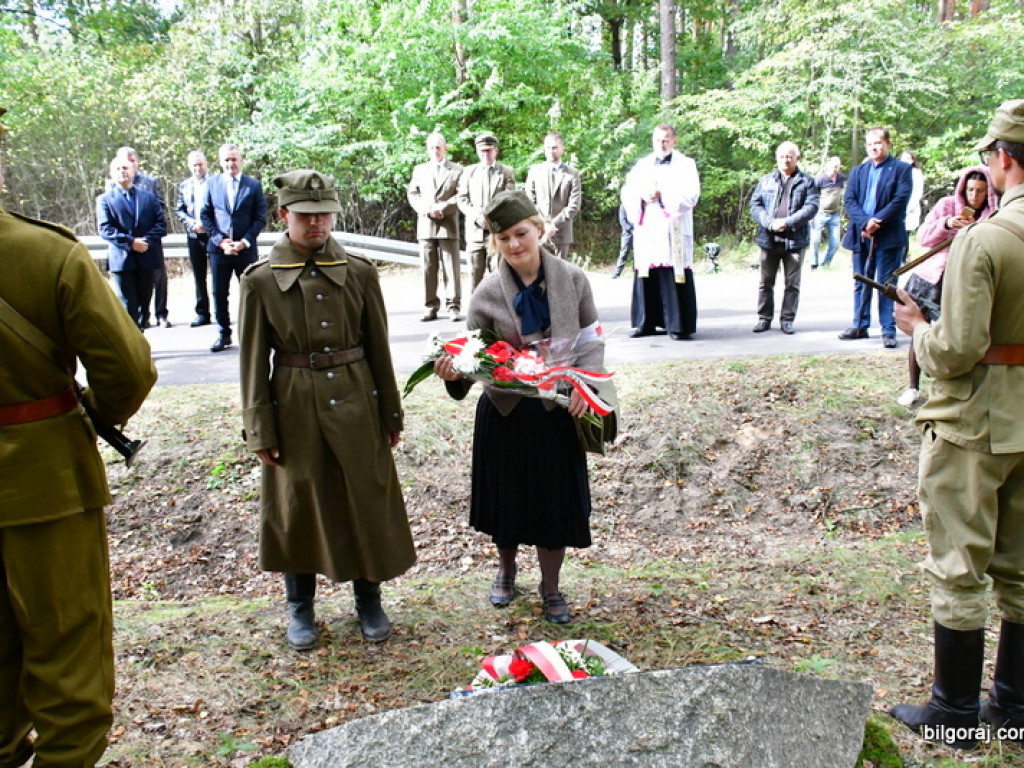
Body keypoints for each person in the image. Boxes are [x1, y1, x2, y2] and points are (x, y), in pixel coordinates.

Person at [0, 104, 157, 768]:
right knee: (68, 662)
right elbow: (128, 369)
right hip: (42, 488)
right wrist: (89, 412)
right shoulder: (44, 253)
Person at [890, 99, 1024, 750]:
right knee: (1022, 568)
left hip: (975, 423)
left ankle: (955, 714)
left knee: (959, 565)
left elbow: (959, 347)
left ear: (1002, 158)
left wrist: (919, 330)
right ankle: (1014, 708)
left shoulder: (986, 238)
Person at [239, 170, 415, 650]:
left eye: (324, 214)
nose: (317, 224)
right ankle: (301, 610)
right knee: (297, 505)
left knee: (364, 499)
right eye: (306, 215)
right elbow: (253, 361)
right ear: (284, 216)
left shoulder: (359, 272)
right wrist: (260, 428)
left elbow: (378, 346)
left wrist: (389, 413)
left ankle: (369, 601)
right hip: (293, 404)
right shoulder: (259, 282)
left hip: (358, 400)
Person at [432, 191, 614, 625]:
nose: (514, 245)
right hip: (508, 414)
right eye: (503, 237)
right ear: (494, 242)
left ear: (539, 229)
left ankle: (551, 587)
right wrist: (455, 374)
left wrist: (583, 385)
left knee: (556, 503)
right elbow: (473, 355)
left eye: (521, 233)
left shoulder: (572, 279)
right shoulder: (487, 293)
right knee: (507, 501)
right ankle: (506, 571)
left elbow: (591, 339)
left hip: (558, 413)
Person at [897, 165, 999, 407]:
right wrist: (947, 223)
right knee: (918, 329)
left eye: (981, 191)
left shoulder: (993, 215)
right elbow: (923, 237)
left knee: (953, 335)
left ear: (989, 193)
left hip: (962, 280)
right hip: (930, 276)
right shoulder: (946, 205)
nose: (974, 195)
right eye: (971, 189)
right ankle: (913, 386)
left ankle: (949, 387)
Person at [620, 123, 701, 340]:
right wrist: (641, 196)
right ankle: (645, 323)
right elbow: (628, 191)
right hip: (648, 228)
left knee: (674, 272)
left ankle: (676, 325)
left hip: (672, 227)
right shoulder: (642, 165)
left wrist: (662, 195)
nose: (662, 144)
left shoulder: (686, 164)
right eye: (658, 140)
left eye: (666, 140)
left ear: (674, 141)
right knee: (647, 272)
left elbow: (691, 195)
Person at [838, 127, 913, 349]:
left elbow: (900, 200)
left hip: (888, 235)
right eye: (870, 144)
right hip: (861, 235)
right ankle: (859, 325)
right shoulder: (858, 171)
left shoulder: (901, 170)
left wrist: (877, 220)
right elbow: (849, 200)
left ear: (888, 143)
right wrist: (864, 222)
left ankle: (888, 330)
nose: (874, 147)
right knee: (861, 282)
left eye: (878, 143)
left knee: (886, 284)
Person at [201, 143, 267, 353]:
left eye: (234, 159)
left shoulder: (253, 185)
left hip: (245, 250)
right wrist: (221, 241)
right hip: (219, 250)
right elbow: (205, 214)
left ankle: (252, 334)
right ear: (221, 162)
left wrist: (244, 242)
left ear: (241, 160)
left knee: (251, 292)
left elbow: (259, 217)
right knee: (219, 293)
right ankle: (223, 333)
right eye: (227, 160)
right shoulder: (211, 183)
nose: (231, 164)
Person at [748, 141, 819, 335]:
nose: (785, 160)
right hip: (768, 239)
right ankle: (764, 318)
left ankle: (787, 319)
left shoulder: (807, 182)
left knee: (792, 284)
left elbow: (811, 207)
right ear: (776, 158)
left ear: (797, 158)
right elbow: (755, 205)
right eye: (782, 156)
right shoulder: (766, 180)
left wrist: (787, 222)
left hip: (795, 241)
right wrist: (769, 222)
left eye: (789, 156)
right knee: (765, 282)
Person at [96, 155, 167, 329]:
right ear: (112, 174)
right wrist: (130, 242)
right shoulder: (104, 200)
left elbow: (161, 224)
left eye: (125, 168)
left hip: (146, 257)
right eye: (118, 169)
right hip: (122, 259)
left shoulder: (148, 198)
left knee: (145, 306)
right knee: (129, 307)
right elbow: (105, 229)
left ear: (133, 171)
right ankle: (134, 349)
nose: (122, 172)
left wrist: (145, 241)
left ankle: (141, 340)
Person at [406, 132, 464, 322]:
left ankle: (453, 306)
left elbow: (461, 195)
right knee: (428, 267)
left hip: (448, 224)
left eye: (438, 147)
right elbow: (413, 194)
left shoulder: (457, 170)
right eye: (431, 147)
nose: (435, 151)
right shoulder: (419, 170)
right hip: (426, 223)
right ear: (427, 149)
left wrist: (443, 208)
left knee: (451, 267)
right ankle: (430, 305)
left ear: (445, 148)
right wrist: (427, 209)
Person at [456, 132, 516, 289]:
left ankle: (500, 311)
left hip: (497, 231)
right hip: (475, 231)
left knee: (499, 274)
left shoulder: (506, 172)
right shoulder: (468, 172)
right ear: (477, 151)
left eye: (489, 150)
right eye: (482, 151)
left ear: (496, 150)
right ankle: (475, 311)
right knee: (474, 275)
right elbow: (462, 199)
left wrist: (490, 219)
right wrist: (477, 217)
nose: (485, 154)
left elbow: (508, 199)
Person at [524, 131, 582, 259]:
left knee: (559, 275)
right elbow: (529, 201)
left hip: (562, 233)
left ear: (562, 148)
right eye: (548, 148)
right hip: (538, 231)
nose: (551, 151)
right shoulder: (535, 171)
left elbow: (574, 205)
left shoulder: (572, 174)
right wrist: (544, 224)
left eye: (555, 147)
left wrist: (554, 225)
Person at [175, 150, 213, 327]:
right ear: (189, 166)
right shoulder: (184, 186)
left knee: (219, 276)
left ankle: (222, 312)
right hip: (194, 235)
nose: (198, 168)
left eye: (201, 164)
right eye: (194, 165)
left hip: (214, 235)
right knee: (199, 276)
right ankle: (202, 313)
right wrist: (192, 223)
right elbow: (179, 210)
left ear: (206, 164)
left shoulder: (215, 182)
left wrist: (208, 224)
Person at [808, 156, 845, 269]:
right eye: (833, 166)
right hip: (820, 214)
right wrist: (811, 215)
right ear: (828, 165)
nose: (835, 168)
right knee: (815, 240)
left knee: (835, 243)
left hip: (835, 215)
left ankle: (826, 264)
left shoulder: (841, 178)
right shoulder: (820, 179)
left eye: (837, 166)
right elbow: (811, 196)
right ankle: (814, 264)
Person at [901, 149, 926, 234]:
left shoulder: (916, 173)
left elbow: (917, 193)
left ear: (912, 160)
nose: (905, 161)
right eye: (903, 158)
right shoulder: (897, 172)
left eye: (908, 158)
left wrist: (906, 209)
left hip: (910, 210)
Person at [611, 203, 633, 279]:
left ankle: (636, 272)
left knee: (638, 253)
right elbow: (622, 221)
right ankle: (617, 273)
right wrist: (630, 229)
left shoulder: (637, 204)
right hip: (627, 233)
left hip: (638, 232)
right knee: (624, 252)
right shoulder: (623, 205)